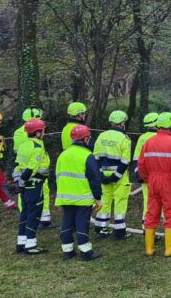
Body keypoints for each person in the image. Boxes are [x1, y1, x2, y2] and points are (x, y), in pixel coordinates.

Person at [139, 112, 171, 257]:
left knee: (151, 212)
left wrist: (148, 179)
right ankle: (169, 249)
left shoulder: (149, 142)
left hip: (152, 180)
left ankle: (149, 248)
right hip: (169, 182)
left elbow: (141, 164)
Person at [55, 124, 103, 261]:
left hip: (65, 196)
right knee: (82, 224)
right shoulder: (87, 155)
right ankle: (86, 252)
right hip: (82, 197)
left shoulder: (63, 155)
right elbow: (95, 178)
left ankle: (67, 251)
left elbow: (57, 175)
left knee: (67, 223)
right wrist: (98, 197)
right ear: (86, 138)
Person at [93, 110, 132, 240]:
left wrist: (100, 175)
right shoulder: (124, 138)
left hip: (103, 174)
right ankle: (119, 231)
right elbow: (125, 160)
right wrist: (116, 175)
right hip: (119, 176)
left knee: (105, 200)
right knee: (120, 201)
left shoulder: (101, 136)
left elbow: (95, 157)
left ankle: (101, 228)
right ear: (122, 123)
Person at [14, 108, 54, 229]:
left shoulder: (19, 131)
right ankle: (37, 218)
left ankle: (35, 217)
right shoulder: (33, 131)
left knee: (29, 194)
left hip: (25, 167)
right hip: (33, 169)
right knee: (37, 193)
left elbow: (17, 151)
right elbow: (35, 150)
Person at [15, 118, 50, 255]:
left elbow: (18, 165)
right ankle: (31, 244)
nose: (44, 134)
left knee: (24, 214)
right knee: (33, 215)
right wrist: (23, 181)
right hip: (34, 186)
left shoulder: (23, 145)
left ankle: (21, 242)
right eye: (42, 131)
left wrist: (18, 181)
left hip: (24, 188)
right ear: (37, 133)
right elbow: (32, 168)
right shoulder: (37, 147)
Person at [130, 112, 158, 220]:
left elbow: (136, 158)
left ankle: (145, 226)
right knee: (165, 202)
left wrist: (138, 174)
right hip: (159, 176)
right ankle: (170, 230)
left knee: (147, 200)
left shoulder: (141, 138)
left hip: (145, 176)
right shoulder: (160, 137)